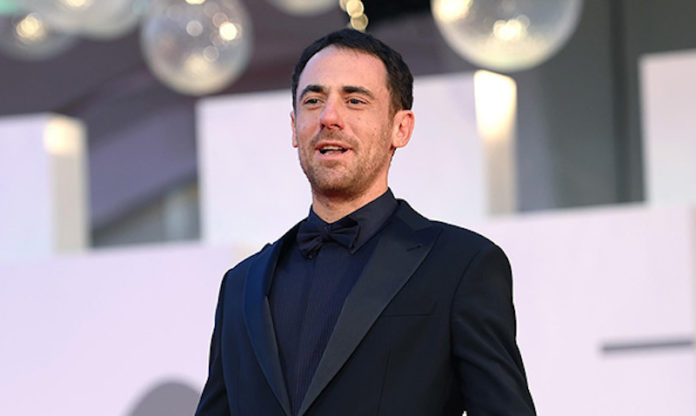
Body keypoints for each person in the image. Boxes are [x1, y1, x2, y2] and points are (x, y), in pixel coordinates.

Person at [195, 29, 536, 416]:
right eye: (313, 100)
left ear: (400, 128)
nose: (329, 117)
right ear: (294, 127)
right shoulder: (241, 285)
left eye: (354, 100)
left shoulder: (461, 265)